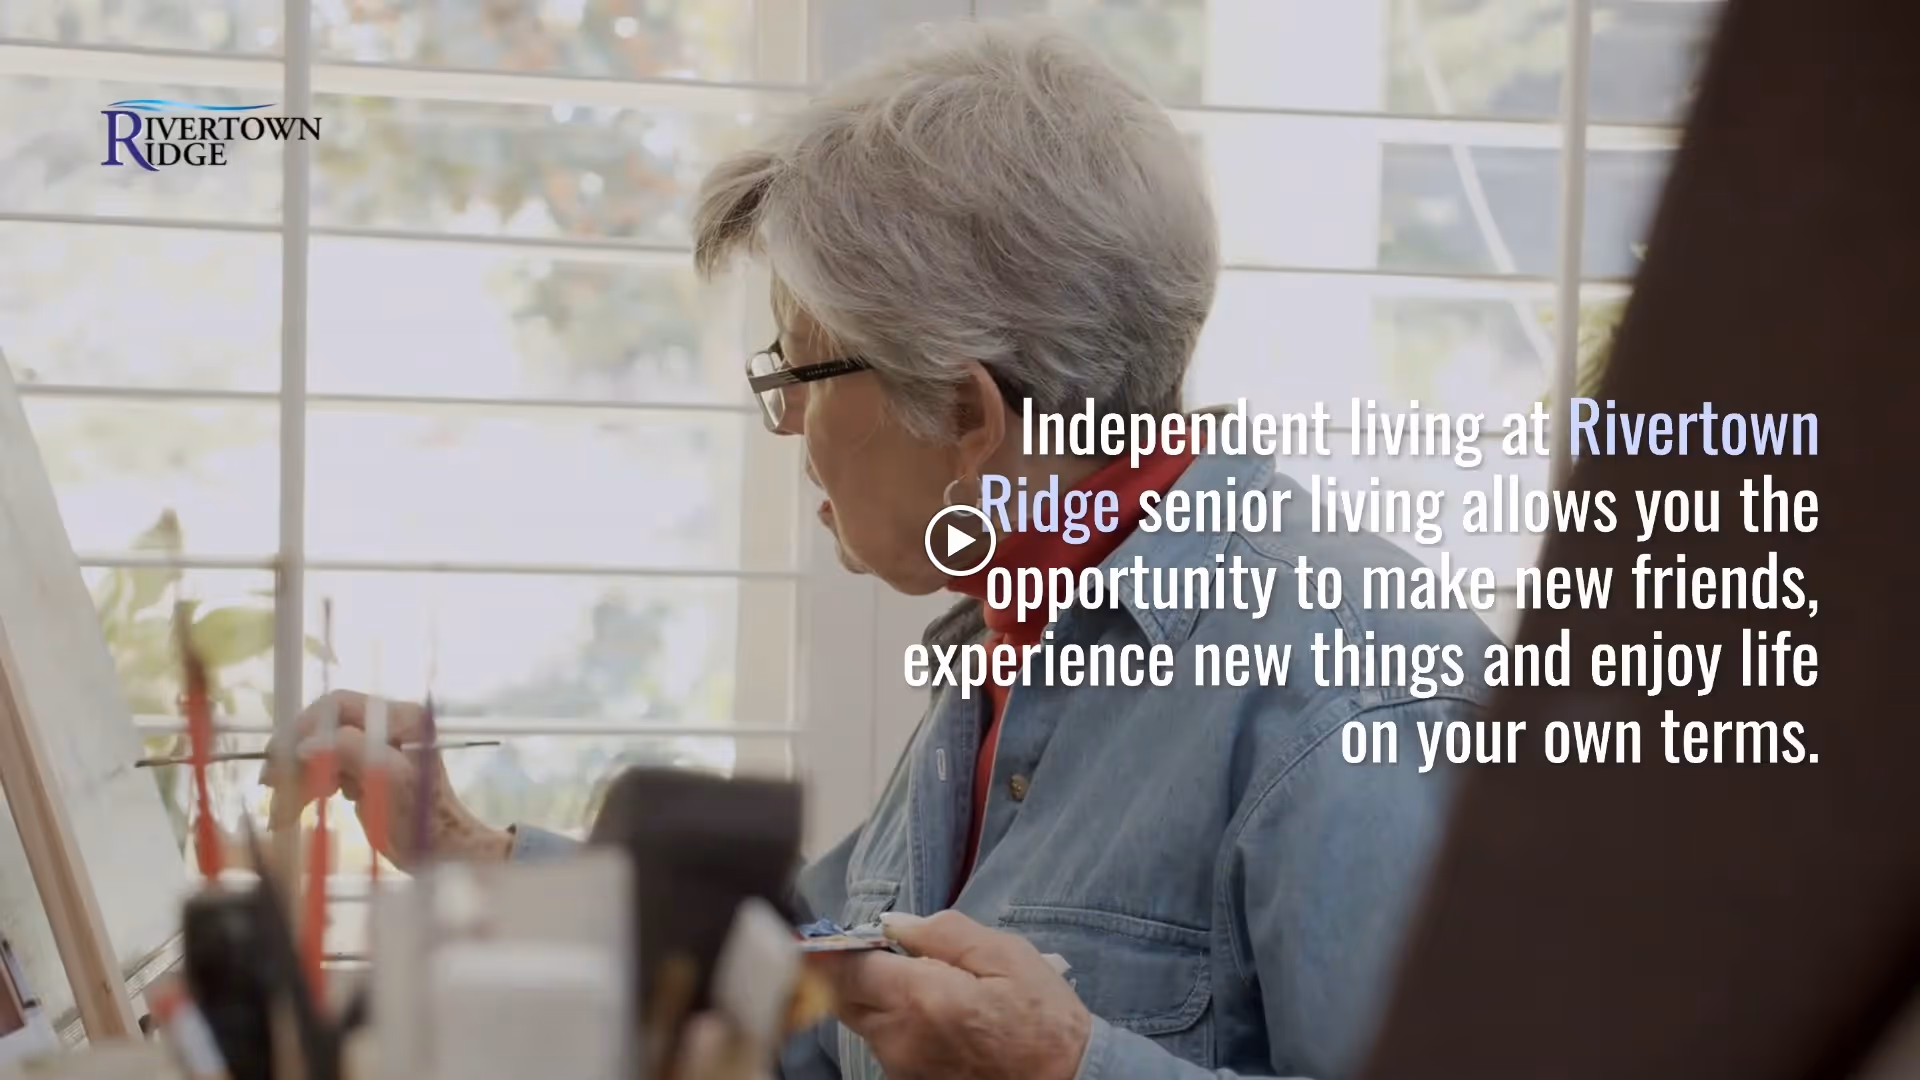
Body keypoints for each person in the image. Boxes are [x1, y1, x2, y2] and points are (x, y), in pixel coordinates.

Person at [270, 19, 1496, 1080]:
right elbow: (795, 1006)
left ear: (967, 415)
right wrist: (470, 849)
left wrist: (1068, 1066)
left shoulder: (1349, 689)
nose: (789, 418)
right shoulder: (1017, 630)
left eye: (801, 366)